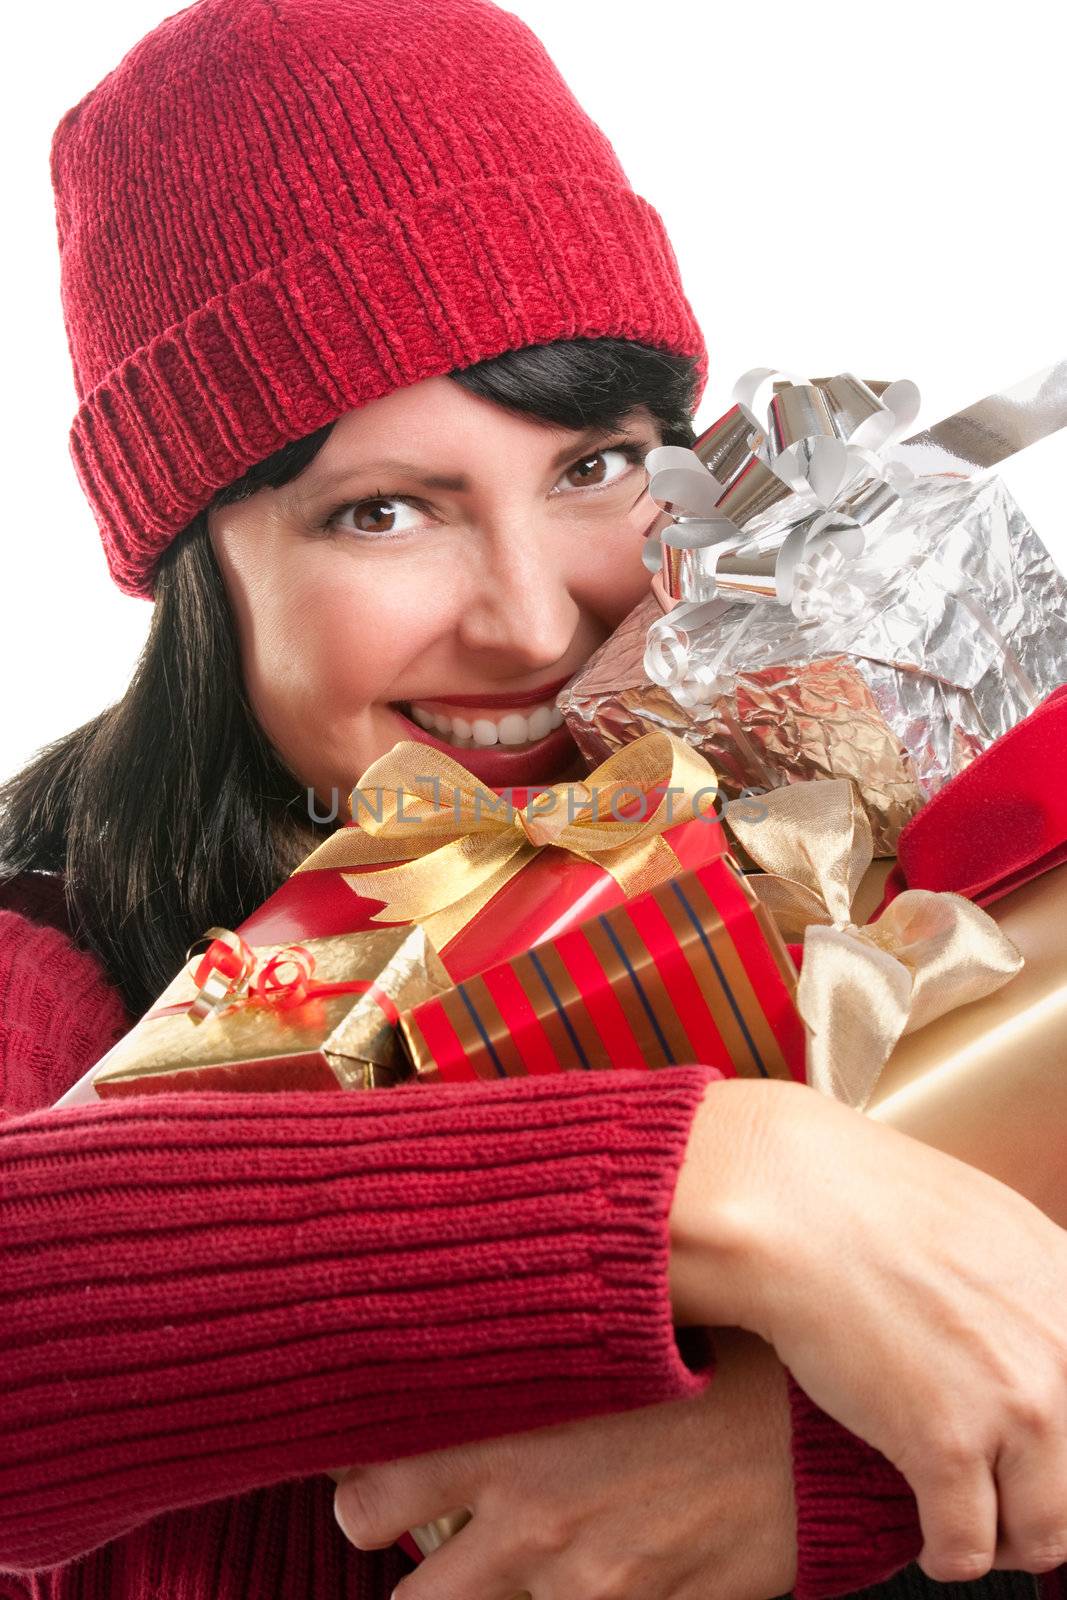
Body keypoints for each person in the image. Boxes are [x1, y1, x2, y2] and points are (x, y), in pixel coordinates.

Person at [1, 1, 1064, 1596]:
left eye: (593, 467)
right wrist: (725, 1178)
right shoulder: (50, 966)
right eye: (379, 512)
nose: (534, 621)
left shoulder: (845, 794)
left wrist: (821, 1470)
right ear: (195, 574)